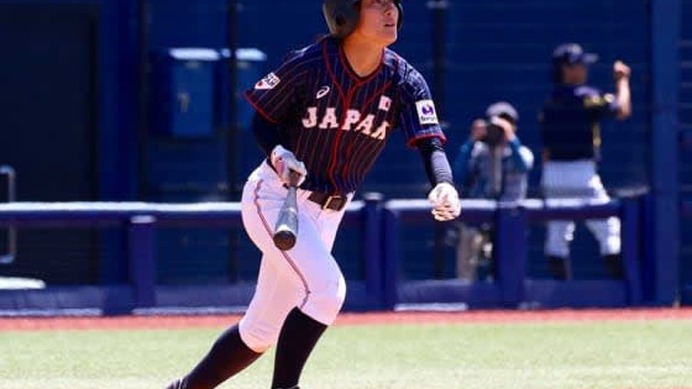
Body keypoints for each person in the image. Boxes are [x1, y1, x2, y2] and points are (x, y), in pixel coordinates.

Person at [164, 1, 461, 389]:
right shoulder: (311, 63)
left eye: (393, 4)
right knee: (328, 291)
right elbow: (262, 119)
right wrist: (279, 152)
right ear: (347, 13)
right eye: (377, 4)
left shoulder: (404, 80)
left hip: (329, 213)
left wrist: (443, 182)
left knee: (260, 331)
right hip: (275, 198)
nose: (391, 11)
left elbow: (430, 143)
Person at [540, 43, 631, 280]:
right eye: (579, 64)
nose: (584, 68)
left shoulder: (550, 101)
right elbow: (621, 110)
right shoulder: (586, 97)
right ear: (566, 68)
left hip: (553, 172)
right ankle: (621, 291)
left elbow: (546, 149)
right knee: (608, 227)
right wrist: (622, 80)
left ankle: (561, 296)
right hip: (581, 171)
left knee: (557, 235)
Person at [453, 102, 534, 281]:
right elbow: (458, 174)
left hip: (509, 217)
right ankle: (464, 297)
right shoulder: (479, 151)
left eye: (506, 123)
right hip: (480, 217)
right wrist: (471, 141)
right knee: (467, 254)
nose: (499, 129)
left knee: (508, 271)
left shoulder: (522, 151)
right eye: (496, 124)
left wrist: (510, 139)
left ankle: (509, 304)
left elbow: (522, 166)